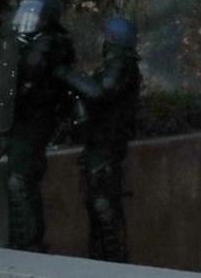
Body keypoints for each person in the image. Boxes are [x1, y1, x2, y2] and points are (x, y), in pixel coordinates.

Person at [0, 0, 84, 252]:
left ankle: (30, 244)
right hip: (21, 120)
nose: (28, 18)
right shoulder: (24, 42)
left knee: (22, 180)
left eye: (34, 14)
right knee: (17, 181)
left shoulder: (51, 43)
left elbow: (32, 72)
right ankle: (20, 242)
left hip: (37, 121)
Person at [72, 16, 142, 262]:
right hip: (100, 146)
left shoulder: (121, 65)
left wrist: (66, 75)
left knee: (105, 210)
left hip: (106, 149)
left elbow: (99, 91)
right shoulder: (119, 65)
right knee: (99, 211)